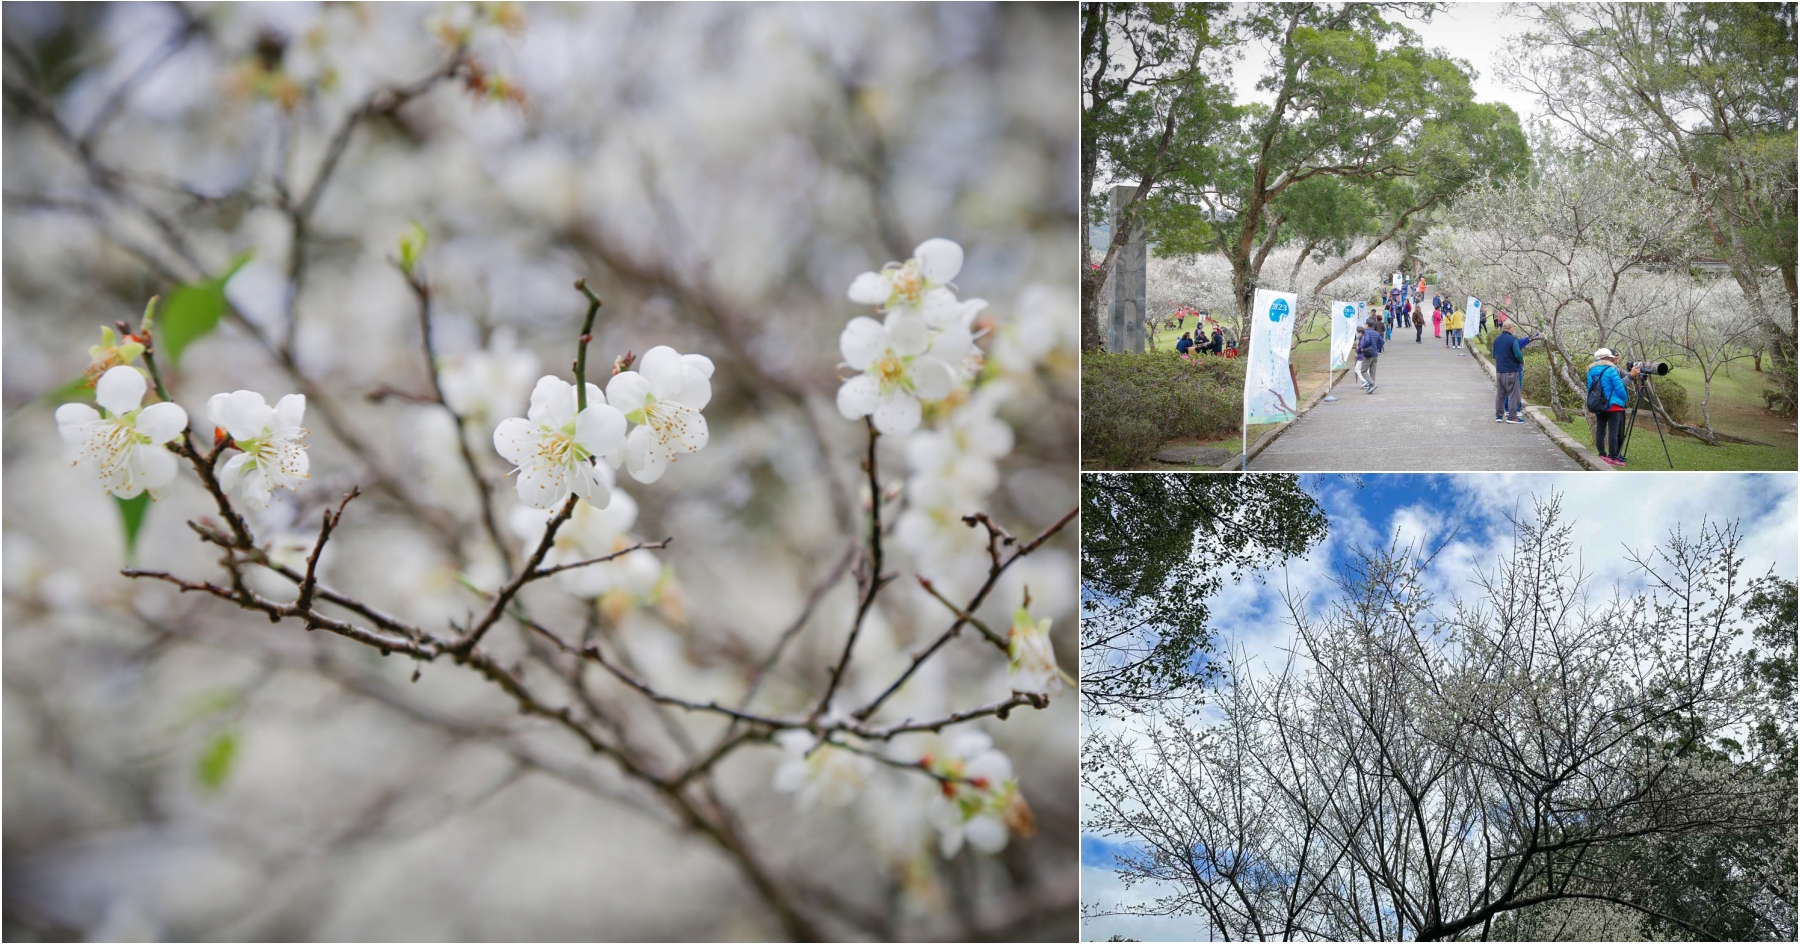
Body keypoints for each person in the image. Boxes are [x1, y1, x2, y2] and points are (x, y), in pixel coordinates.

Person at [1586, 348, 1639, 467]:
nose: (1612, 359)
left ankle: (1602, 454)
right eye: (1610, 358)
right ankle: (1613, 457)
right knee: (1613, 432)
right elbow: (1619, 387)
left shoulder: (1591, 370)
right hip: (1614, 405)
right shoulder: (1611, 370)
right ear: (1606, 358)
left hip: (1599, 405)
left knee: (1601, 430)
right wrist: (1624, 399)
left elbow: (1590, 389)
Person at [1490, 321, 1539, 423]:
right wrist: (1522, 361)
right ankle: (1512, 417)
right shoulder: (1513, 340)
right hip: (1511, 371)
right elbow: (1517, 354)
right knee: (1513, 394)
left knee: (1500, 395)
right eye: (1514, 328)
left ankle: (1499, 416)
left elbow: (1494, 354)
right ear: (1510, 328)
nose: (1514, 329)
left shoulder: (1497, 340)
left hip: (1500, 371)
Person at [1357, 316, 1385, 393]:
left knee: (1363, 370)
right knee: (1373, 372)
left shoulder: (1366, 332)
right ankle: (1371, 387)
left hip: (1368, 354)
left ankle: (1372, 384)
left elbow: (1366, 341)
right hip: (1375, 354)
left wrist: (1364, 348)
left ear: (1367, 325)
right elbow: (1382, 342)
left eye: (1365, 324)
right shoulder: (1376, 333)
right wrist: (1377, 348)